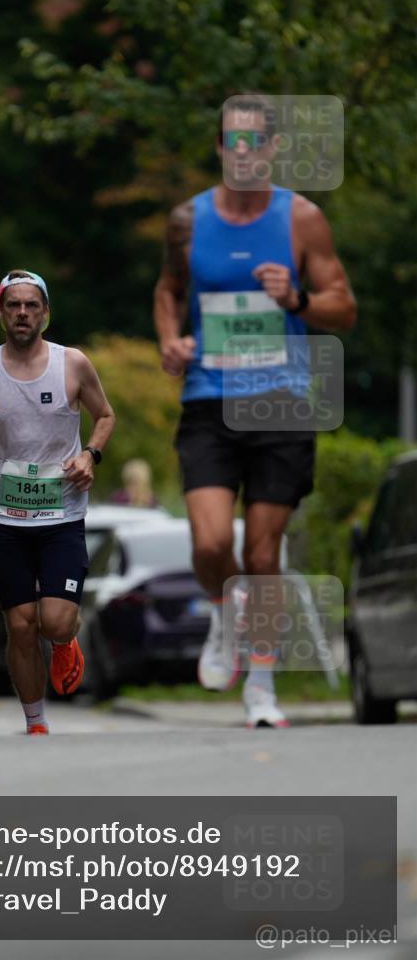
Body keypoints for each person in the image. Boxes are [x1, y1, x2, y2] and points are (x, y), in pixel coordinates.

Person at [153, 95, 356, 728]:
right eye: (231, 143)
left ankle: (261, 687)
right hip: (209, 398)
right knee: (212, 541)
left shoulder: (302, 219)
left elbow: (342, 308)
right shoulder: (188, 220)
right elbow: (168, 291)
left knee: (264, 556)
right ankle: (222, 614)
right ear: (219, 149)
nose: (243, 154)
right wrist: (170, 340)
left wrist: (294, 297)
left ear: (269, 149)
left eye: (254, 143)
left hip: (281, 401)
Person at [0, 270, 115, 734]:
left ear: (45, 312)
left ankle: (66, 642)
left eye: (31, 305)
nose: (22, 313)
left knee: (54, 621)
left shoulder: (73, 364)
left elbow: (104, 415)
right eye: (13, 305)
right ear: (0, 312)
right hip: (4, 516)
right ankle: (36, 723)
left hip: (62, 512)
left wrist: (91, 454)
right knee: (21, 625)